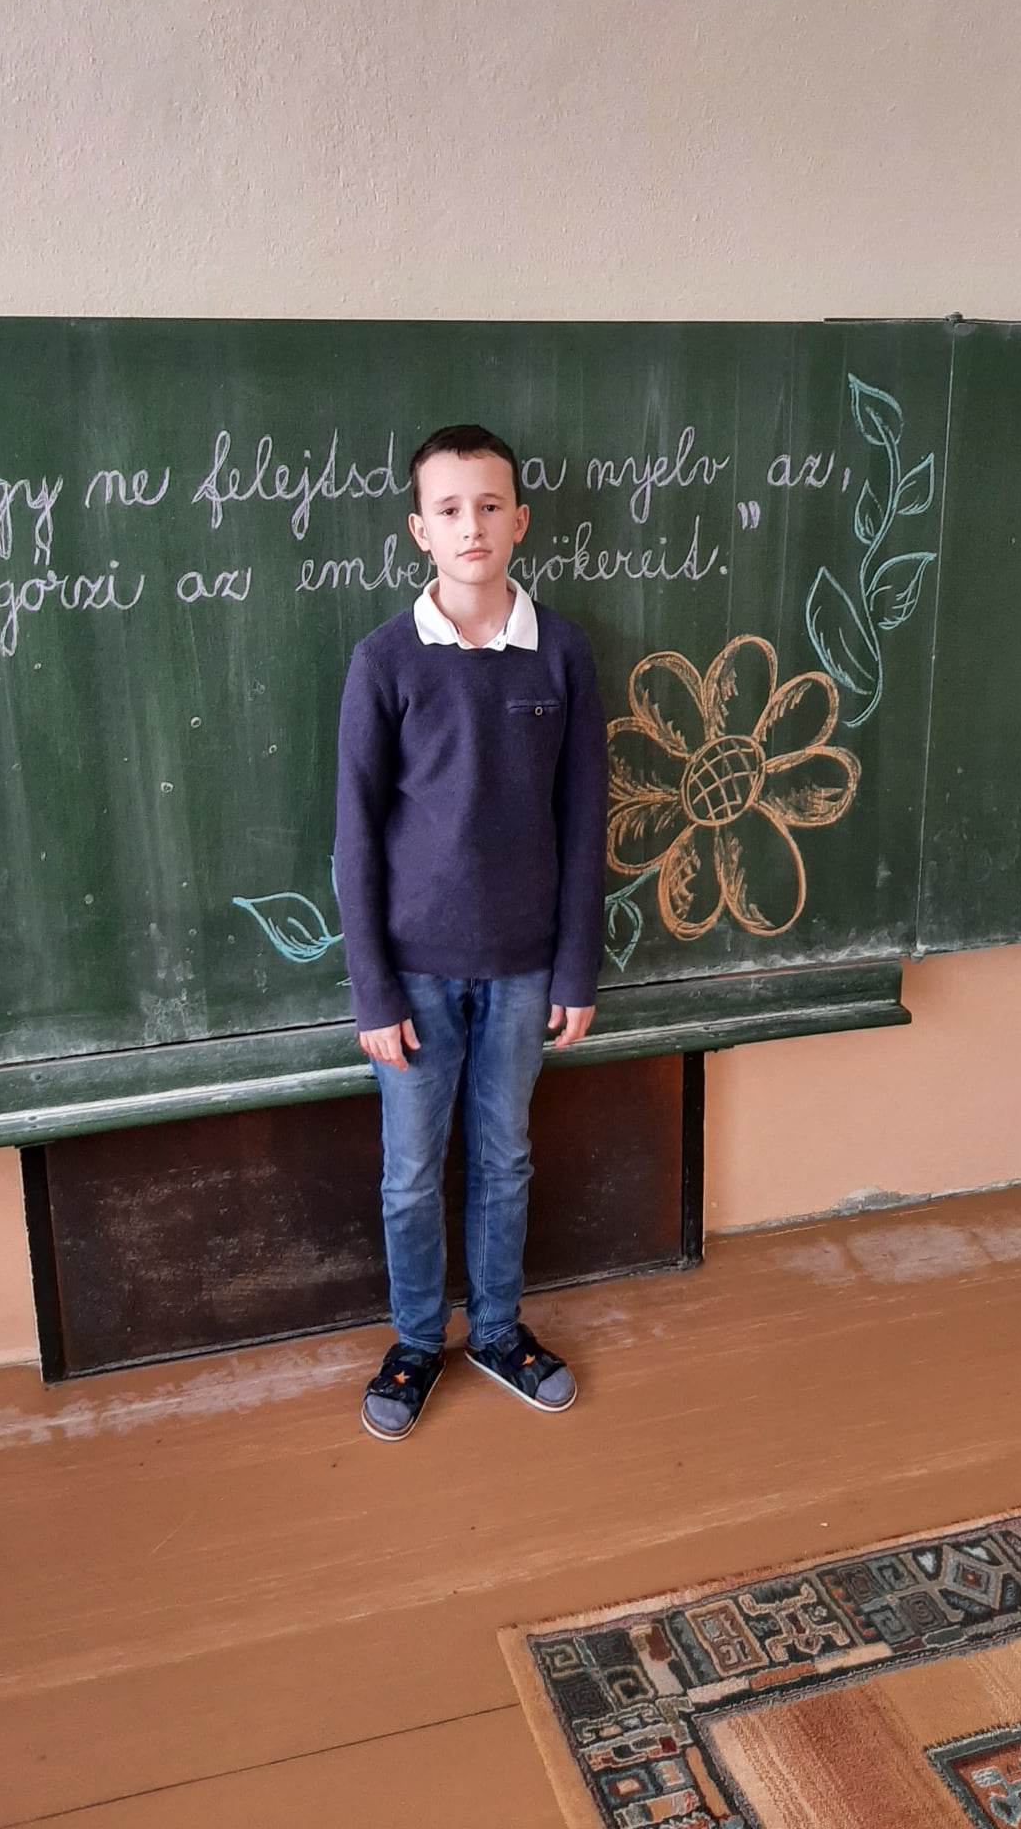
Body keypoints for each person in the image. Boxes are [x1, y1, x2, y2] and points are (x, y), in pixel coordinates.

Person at [332, 423, 609, 1441]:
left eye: (490, 505)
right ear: (420, 530)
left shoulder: (562, 651)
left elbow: (585, 819)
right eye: (449, 509)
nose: (471, 526)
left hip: (525, 970)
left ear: (520, 520)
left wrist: (576, 969)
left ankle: (495, 1330)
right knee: (410, 1172)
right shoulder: (385, 660)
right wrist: (373, 989)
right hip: (413, 977)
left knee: (505, 1158)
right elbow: (355, 834)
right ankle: (416, 1342)